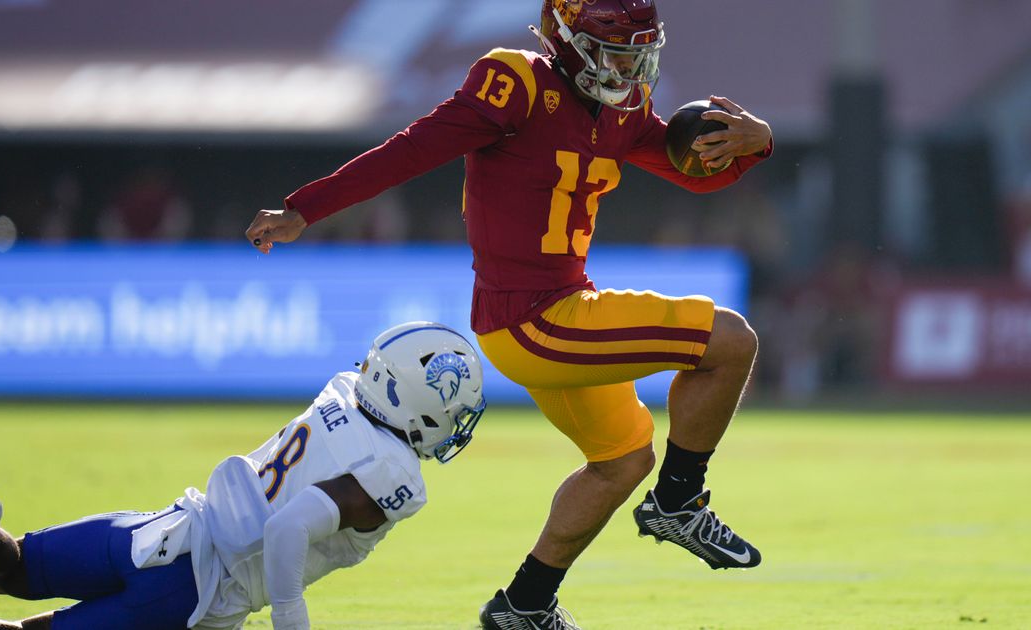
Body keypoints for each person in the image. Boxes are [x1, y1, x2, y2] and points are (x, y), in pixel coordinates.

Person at [244, 1, 772, 628]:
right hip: (538, 317)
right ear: (567, 41)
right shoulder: (515, 84)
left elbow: (691, 173)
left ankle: (524, 603)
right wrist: (306, 208)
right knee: (729, 340)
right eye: (616, 51)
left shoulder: (623, 108)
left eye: (639, 51)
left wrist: (755, 142)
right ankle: (681, 502)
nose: (630, 68)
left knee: (623, 460)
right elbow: (411, 150)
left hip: (554, 313)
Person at [0, 322, 487, 630]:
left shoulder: (346, 389)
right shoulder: (396, 474)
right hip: (192, 592)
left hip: (166, 526)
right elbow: (290, 525)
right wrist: (290, 616)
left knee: (14, 567)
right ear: (422, 406)